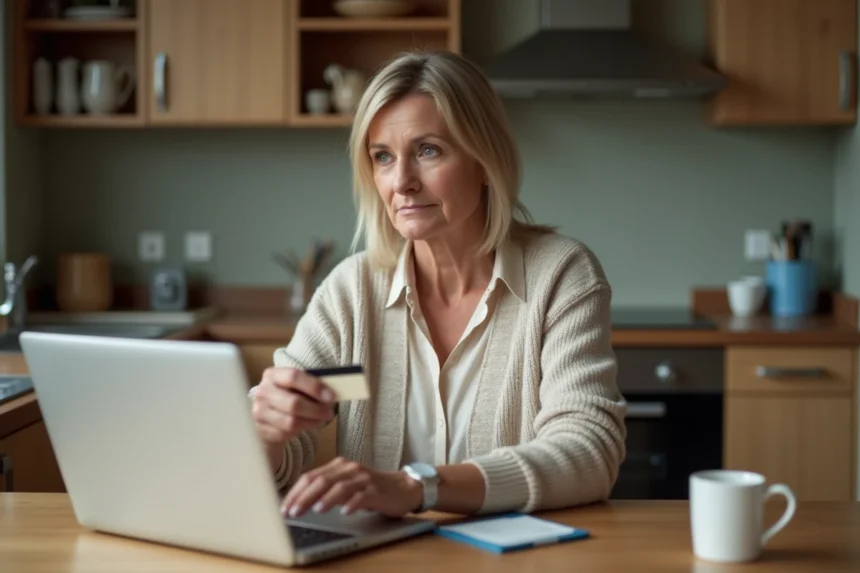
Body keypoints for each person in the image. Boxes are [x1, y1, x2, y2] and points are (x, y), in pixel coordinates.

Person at [249, 50, 627, 520]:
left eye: (428, 150)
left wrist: (416, 487)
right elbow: (280, 446)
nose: (401, 182)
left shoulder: (561, 275)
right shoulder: (352, 291)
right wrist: (266, 433)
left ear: (484, 161)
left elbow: (588, 451)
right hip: (381, 555)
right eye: (383, 157)